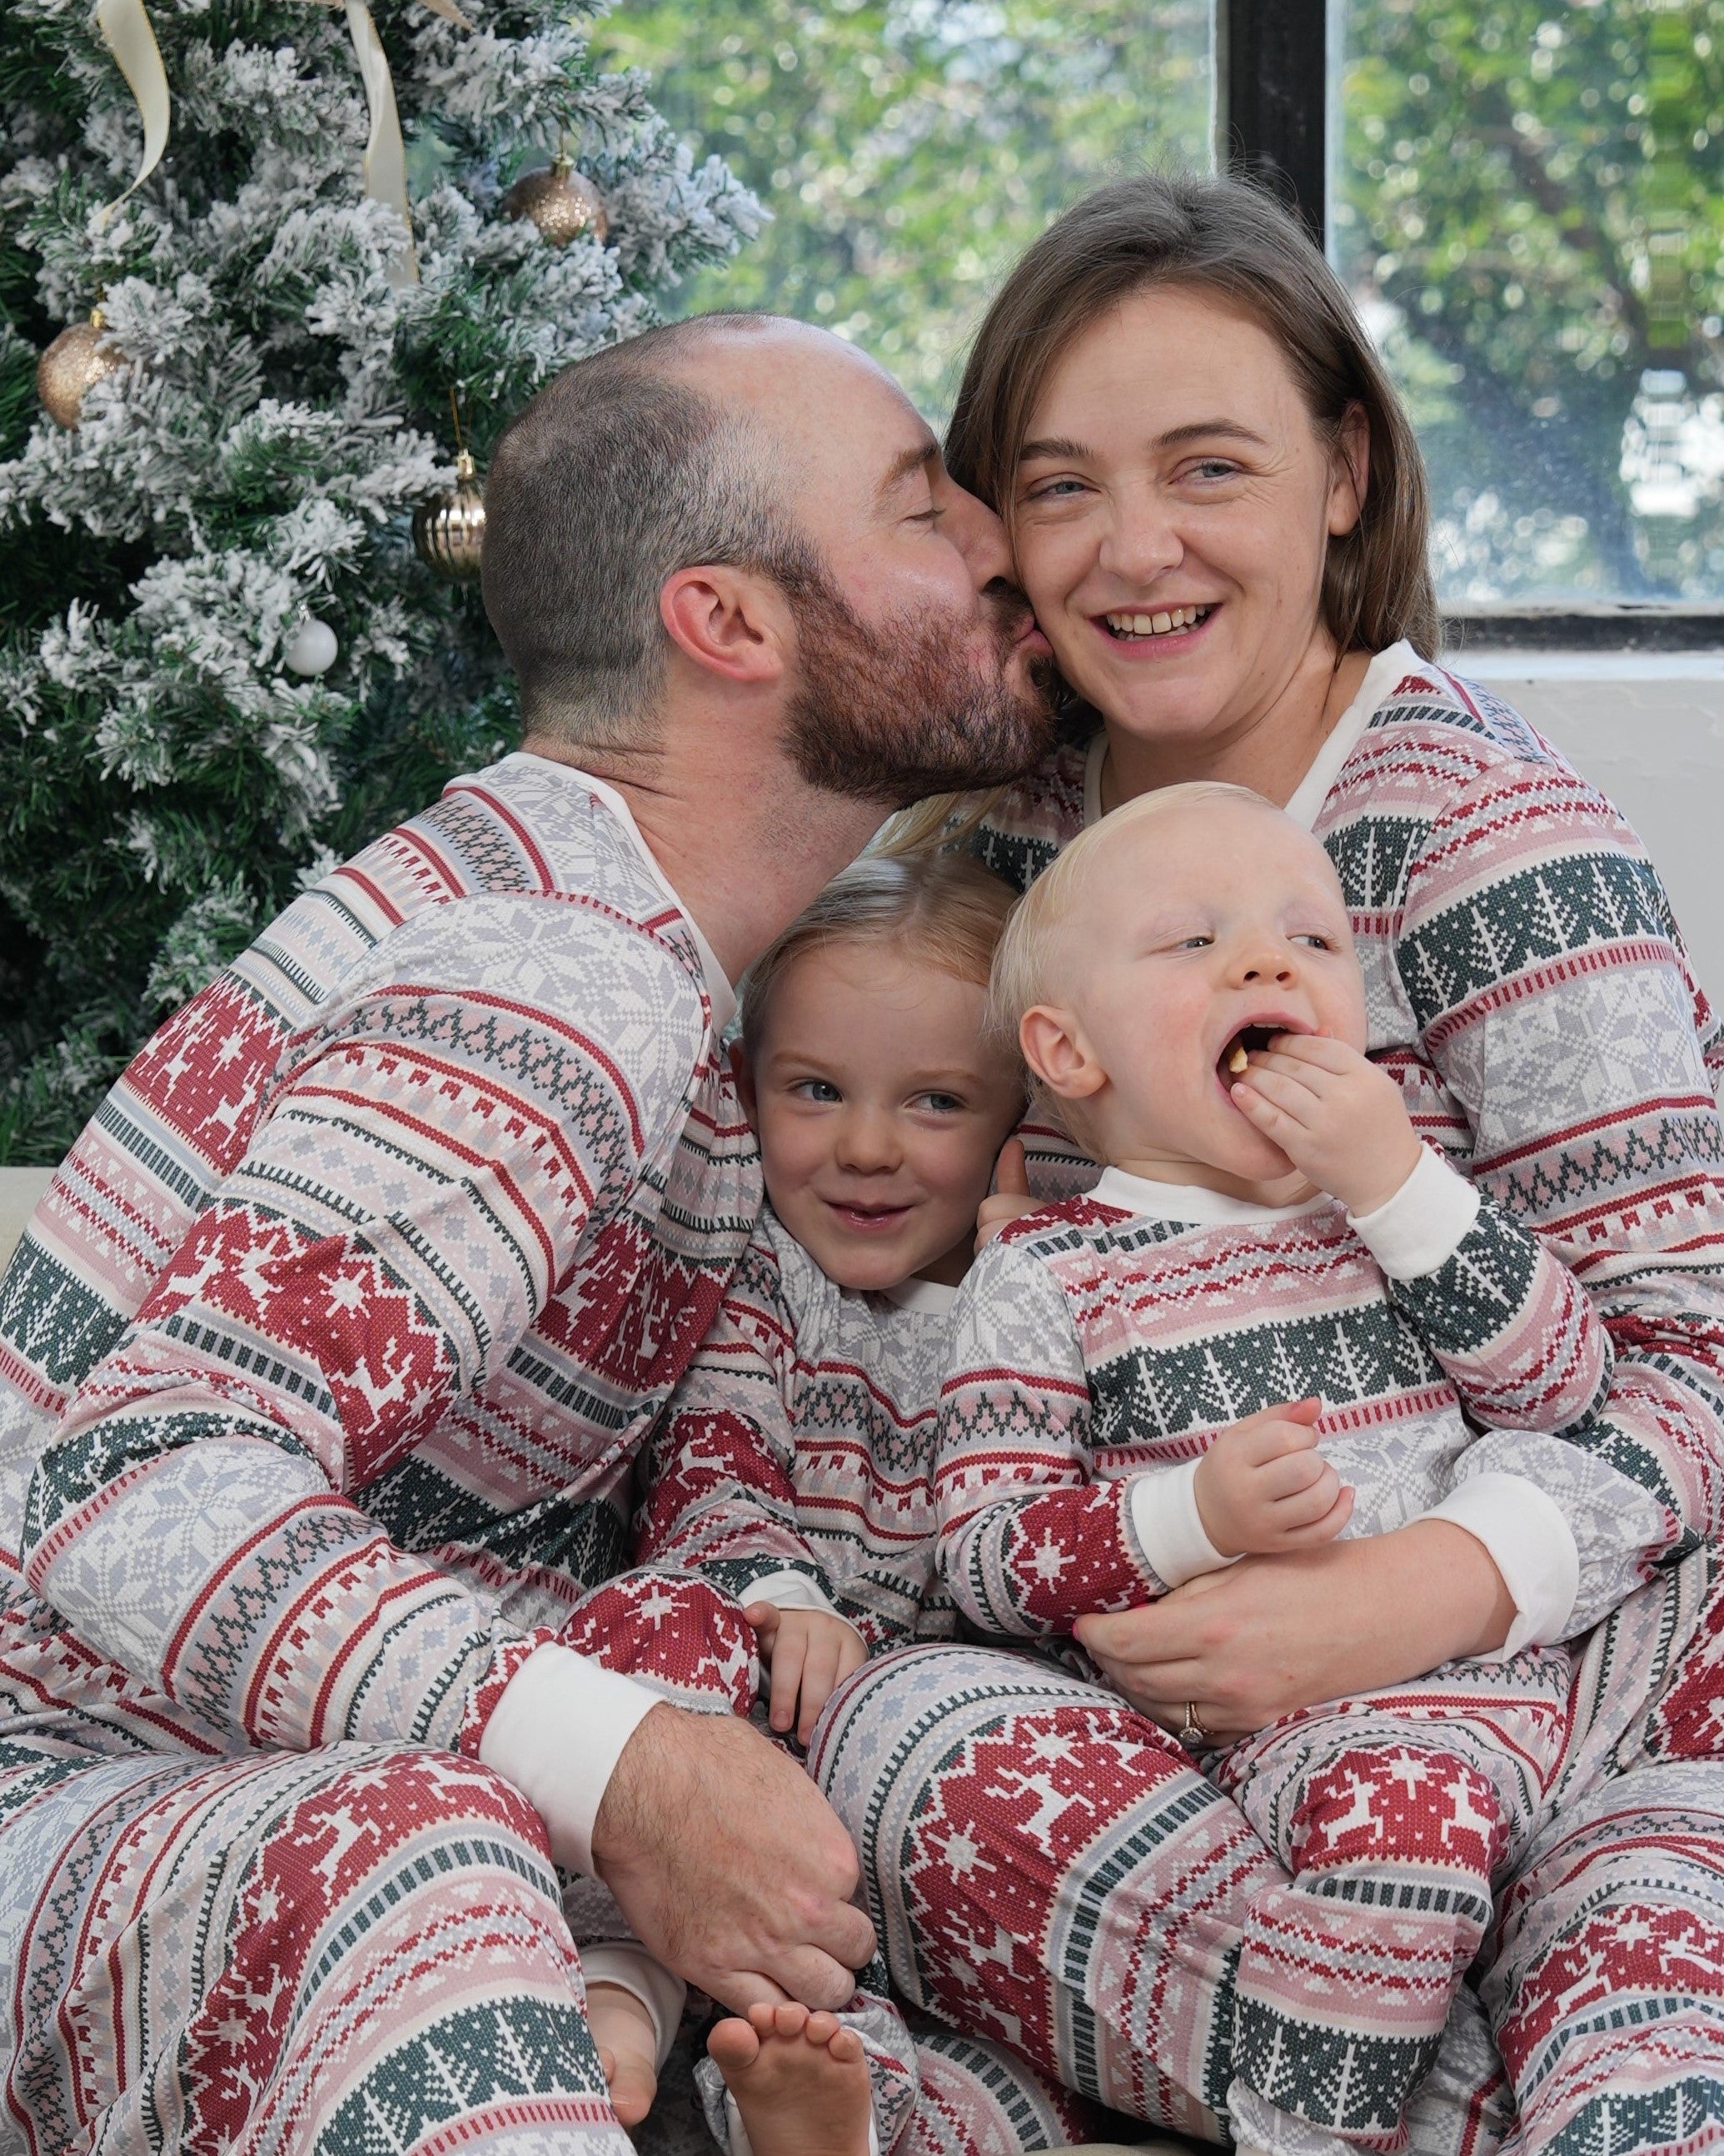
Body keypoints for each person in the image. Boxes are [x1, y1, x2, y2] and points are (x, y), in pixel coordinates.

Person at [0, 313, 1089, 2156]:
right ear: (729, 623)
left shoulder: (687, 984)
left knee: (925, 2077)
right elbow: (131, 1483)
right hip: (85, 1803)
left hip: (278, 1805)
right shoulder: (564, 972)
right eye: (925, 510)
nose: (1003, 543)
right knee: (419, 1857)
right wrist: (635, 1766)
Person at [817, 174, 1724, 2153]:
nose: (1133, 549)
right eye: (1058, 488)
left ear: (1343, 473)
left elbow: (1695, 1362)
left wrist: (1419, 1589)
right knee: (896, 1748)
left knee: (1646, 1989)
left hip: (1569, 1667)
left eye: (1205, 466)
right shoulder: (998, 838)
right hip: (1151, 1685)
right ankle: (1353, 2056)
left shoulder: (1491, 842)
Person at [941, 779, 1630, 2153]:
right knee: (1411, 1826)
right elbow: (979, 1554)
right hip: (1309, 1737)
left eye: (1308, 941)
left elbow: (1562, 1386)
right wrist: (1184, 1516)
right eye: (1192, 943)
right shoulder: (1052, 1269)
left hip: (1549, 1694)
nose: (1264, 961)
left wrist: (1400, 1188)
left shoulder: (1396, 1200)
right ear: (1067, 1052)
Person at [580, 849, 1030, 2155]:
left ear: (1021, 1113)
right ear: (746, 1088)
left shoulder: (1046, 1294)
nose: (867, 1148)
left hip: (933, 1752)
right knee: (651, 1631)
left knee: (975, 2050)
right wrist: (780, 1599)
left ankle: (859, 2115)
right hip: (765, 1703)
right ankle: (638, 1993)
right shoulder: (763, 1274)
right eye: (816, 1090)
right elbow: (715, 1462)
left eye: (937, 1100)